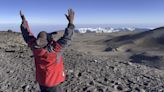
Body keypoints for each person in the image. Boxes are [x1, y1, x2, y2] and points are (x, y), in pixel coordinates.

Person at [20, 9, 75, 92]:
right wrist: (70, 23)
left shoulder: (34, 47)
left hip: (42, 82)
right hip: (54, 83)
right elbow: (67, 38)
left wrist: (24, 21)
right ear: (48, 41)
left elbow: (27, 35)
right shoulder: (55, 50)